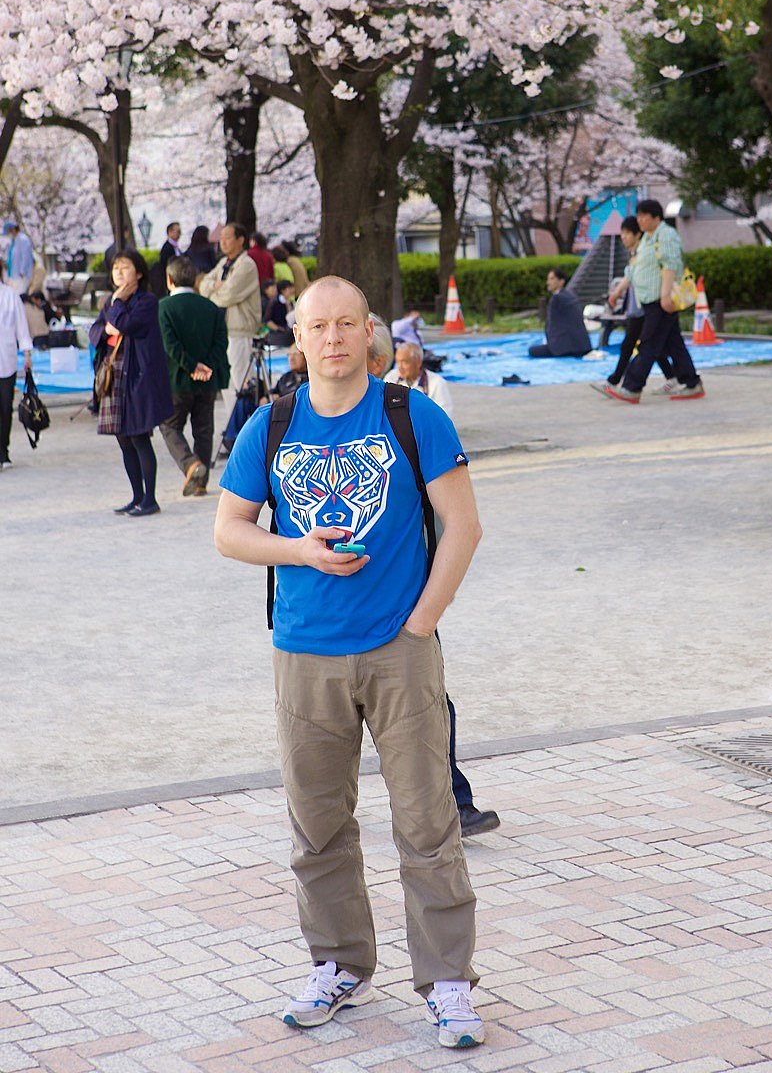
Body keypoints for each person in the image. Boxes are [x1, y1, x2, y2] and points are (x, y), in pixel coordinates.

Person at [214, 275, 485, 1049]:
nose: (332, 338)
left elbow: (463, 526)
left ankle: (448, 982)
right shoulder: (271, 425)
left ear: (369, 333)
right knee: (318, 825)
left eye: (346, 324)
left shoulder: (412, 415)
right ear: (297, 340)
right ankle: (338, 965)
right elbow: (229, 531)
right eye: (317, 326)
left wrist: (421, 625)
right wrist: (298, 550)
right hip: (304, 654)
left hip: (400, 654)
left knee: (428, 823)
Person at [368, 318, 499, 839]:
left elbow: (458, 522)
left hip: (407, 598)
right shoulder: (301, 419)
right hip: (331, 612)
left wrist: (428, 610)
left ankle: (452, 803)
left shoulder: (412, 416)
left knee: (429, 705)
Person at [593, 199, 704, 403]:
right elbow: (634, 270)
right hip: (651, 301)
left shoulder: (666, 235)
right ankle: (692, 382)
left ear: (656, 217)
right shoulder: (647, 239)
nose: (640, 220)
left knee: (648, 344)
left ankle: (632, 387)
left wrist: (665, 295)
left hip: (660, 301)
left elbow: (670, 265)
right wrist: (617, 291)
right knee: (674, 345)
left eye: (644, 216)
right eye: (638, 216)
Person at [89, 249, 174, 515]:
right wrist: (108, 326)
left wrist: (116, 308)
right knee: (123, 439)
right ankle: (136, 496)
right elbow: (95, 331)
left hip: (137, 377)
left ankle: (150, 499)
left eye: (124, 267)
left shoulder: (146, 301)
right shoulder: (111, 302)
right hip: (114, 375)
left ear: (138, 273)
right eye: (116, 268)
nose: (118, 272)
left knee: (139, 437)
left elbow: (127, 324)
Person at [158, 256, 230, 497]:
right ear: (196, 280)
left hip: (176, 379)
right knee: (204, 429)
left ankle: (190, 464)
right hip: (208, 379)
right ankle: (201, 482)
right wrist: (205, 366)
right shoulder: (211, 308)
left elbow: (170, 344)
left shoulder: (163, 308)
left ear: (169, 279)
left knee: (169, 426)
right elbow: (221, 343)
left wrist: (190, 366)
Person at [604, 216, 676, 389]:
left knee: (642, 345)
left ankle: (620, 382)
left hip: (645, 307)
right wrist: (617, 292)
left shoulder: (645, 251)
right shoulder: (636, 253)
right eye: (622, 233)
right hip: (638, 308)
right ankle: (674, 377)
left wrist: (617, 292)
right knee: (648, 346)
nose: (623, 237)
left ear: (637, 235)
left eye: (627, 233)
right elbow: (630, 275)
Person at [198, 223, 262, 414]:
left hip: (240, 331)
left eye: (227, 237)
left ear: (240, 240)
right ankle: (232, 426)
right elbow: (203, 285)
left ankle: (243, 423)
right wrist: (215, 287)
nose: (222, 242)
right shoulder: (223, 263)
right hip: (223, 330)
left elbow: (228, 295)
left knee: (241, 381)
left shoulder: (247, 264)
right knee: (226, 383)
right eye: (221, 238)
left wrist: (214, 292)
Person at [0, 258, 32, 468]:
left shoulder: (10, 296)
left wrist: (27, 355)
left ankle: (3, 450)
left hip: (6, 360)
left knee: (5, 407)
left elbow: (22, 328)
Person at [529, 268, 591, 358]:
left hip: (563, 348)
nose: (548, 282)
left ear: (561, 281)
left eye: (552, 279)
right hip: (583, 346)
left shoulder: (557, 298)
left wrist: (551, 342)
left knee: (532, 350)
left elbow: (550, 325)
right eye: (548, 279)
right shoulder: (571, 296)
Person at [385, 342, 453, 416]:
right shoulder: (391, 377)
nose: (400, 367)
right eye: (398, 362)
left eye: (405, 362)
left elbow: (444, 415)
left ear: (418, 362)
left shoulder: (437, 382)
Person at [2, 221, 34, 295]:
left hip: (20, 276)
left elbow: (25, 257)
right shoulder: (13, 241)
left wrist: (22, 272)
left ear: (13, 229)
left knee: (19, 296)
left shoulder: (23, 240)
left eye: (9, 231)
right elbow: (11, 257)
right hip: (12, 276)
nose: (8, 234)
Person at [152, 222, 183, 299]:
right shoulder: (167, 248)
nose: (180, 234)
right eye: (178, 231)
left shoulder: (176, 247)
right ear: (170, 232)